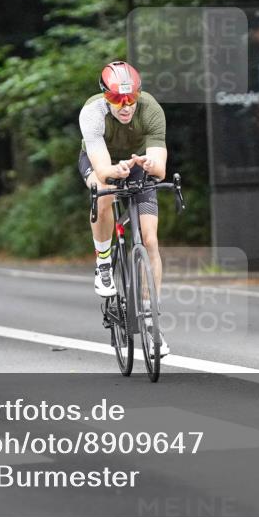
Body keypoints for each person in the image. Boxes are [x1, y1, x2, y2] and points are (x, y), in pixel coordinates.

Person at [78, 61, 169, 356]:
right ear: (105, 96)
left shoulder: (151, 109)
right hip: (99, 161)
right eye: (117, 99)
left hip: (135, 162)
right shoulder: (92, 113)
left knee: (151, 240)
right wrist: (113, 171)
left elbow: (161, 167)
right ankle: (104, 261)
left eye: (131, 98)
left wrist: (149, 164)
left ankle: (151, 319)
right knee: (102, 191)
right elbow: (103, 170)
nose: (125, 105)